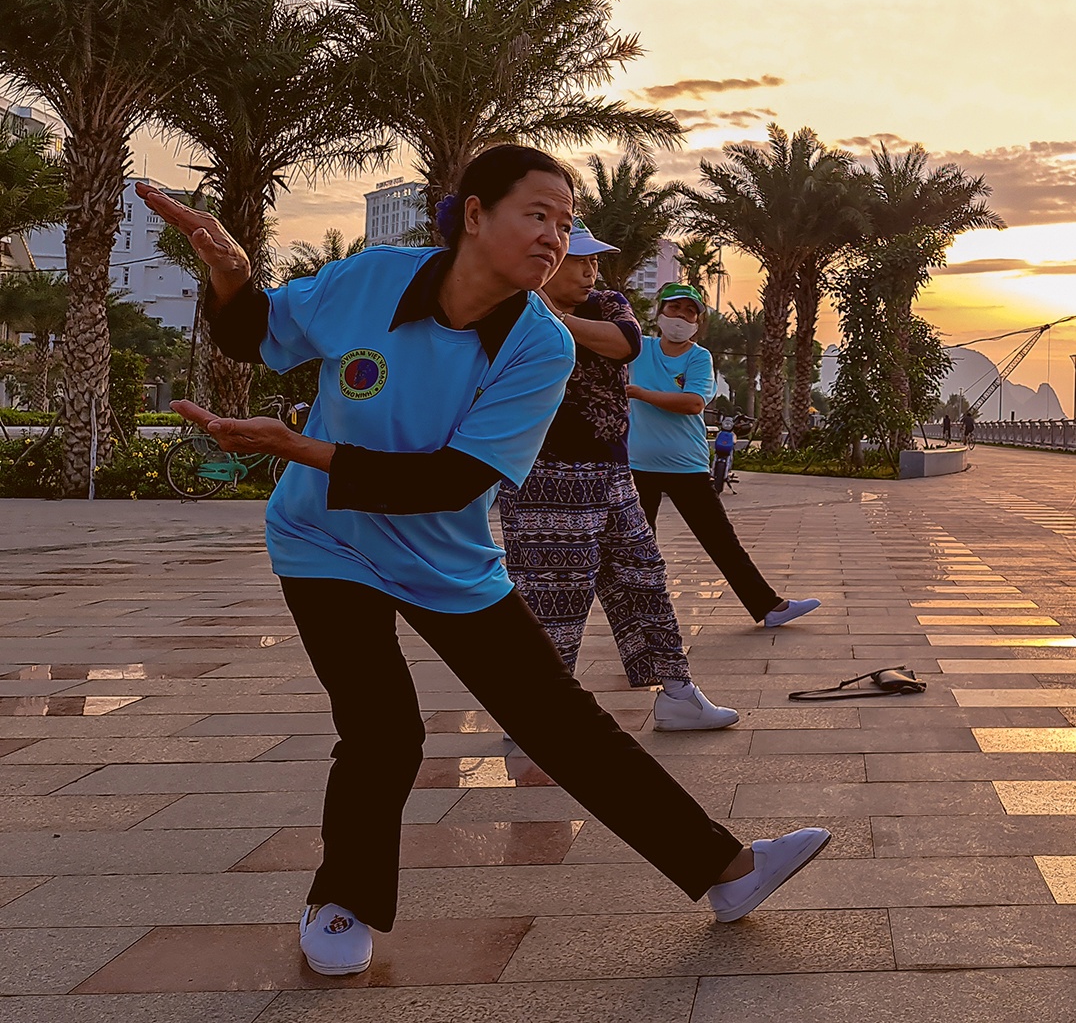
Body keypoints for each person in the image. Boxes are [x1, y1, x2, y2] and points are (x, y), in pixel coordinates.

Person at [139, 146, 827, 978]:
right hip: (324, 543)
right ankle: (342, 900)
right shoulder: (372, 279)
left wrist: (300, 446)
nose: (553, 238)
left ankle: (727, 871)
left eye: (566, 225)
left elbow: (453, 482)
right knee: (383, 727)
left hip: (448, 558)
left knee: (560, 720)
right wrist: (231, 274)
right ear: (473, 214)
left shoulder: (541, 347)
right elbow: (259, 336)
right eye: (537, 215)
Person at [496, 223, 737, 732]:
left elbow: (625, 344)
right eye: (578, 261)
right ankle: (535, 719)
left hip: (609, 470)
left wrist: (553, 317)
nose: (590, 271)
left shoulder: (606, 304)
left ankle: (676, 693)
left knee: (643, 577)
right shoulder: (505, 308)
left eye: (593, 261)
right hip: (544, 476)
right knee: (552, 596)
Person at [627, 283, 820, 629]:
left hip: (687, 466)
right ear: (659, 313)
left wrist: (639, 392)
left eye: (690, 312)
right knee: (638, 551)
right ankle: (642, 622)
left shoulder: (698, 357)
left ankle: (769, 607)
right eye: (675, 308)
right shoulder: (638, 348)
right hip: (636, 466)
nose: (681, 317)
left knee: (722, 542)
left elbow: (693, 403)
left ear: (698, 322)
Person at [711, 415, 737, 493]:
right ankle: (712, 473)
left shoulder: (732, 435)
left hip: (727, 452)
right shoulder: (720, 433)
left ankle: (728, 471)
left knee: (731, 454)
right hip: (719, 450)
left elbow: (734, 442)